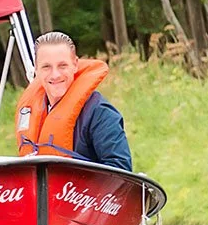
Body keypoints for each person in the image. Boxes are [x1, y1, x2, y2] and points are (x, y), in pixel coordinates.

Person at [16, 31, 132, 170]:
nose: (55, 75)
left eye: (62, 66)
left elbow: (121, 170)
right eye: (46, 67)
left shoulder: (100, 113)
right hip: (41, 183)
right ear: (36, 69)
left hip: (81, 184)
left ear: (75, 64)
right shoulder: (31, 111)